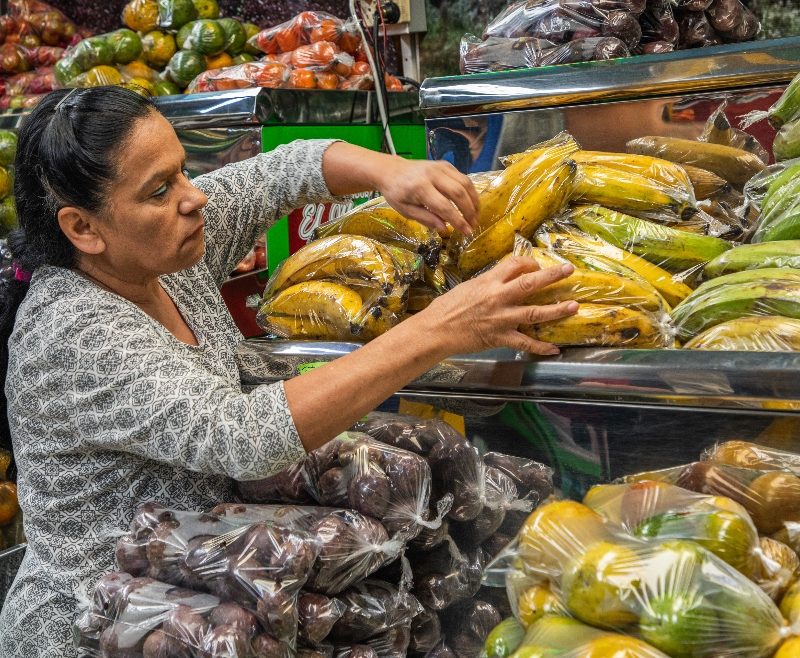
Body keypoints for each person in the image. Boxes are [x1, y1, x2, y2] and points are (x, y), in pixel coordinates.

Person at [0, 86, 577, 657]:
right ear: (82, 228)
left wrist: (390, 171)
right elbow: (244, 436)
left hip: (208, 599)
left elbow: (282, 172)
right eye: (159, 190)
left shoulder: (158, 255)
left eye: (182, 171)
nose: (194, 197)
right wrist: (441, 329)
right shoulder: (72, 331)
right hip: (104, 631)